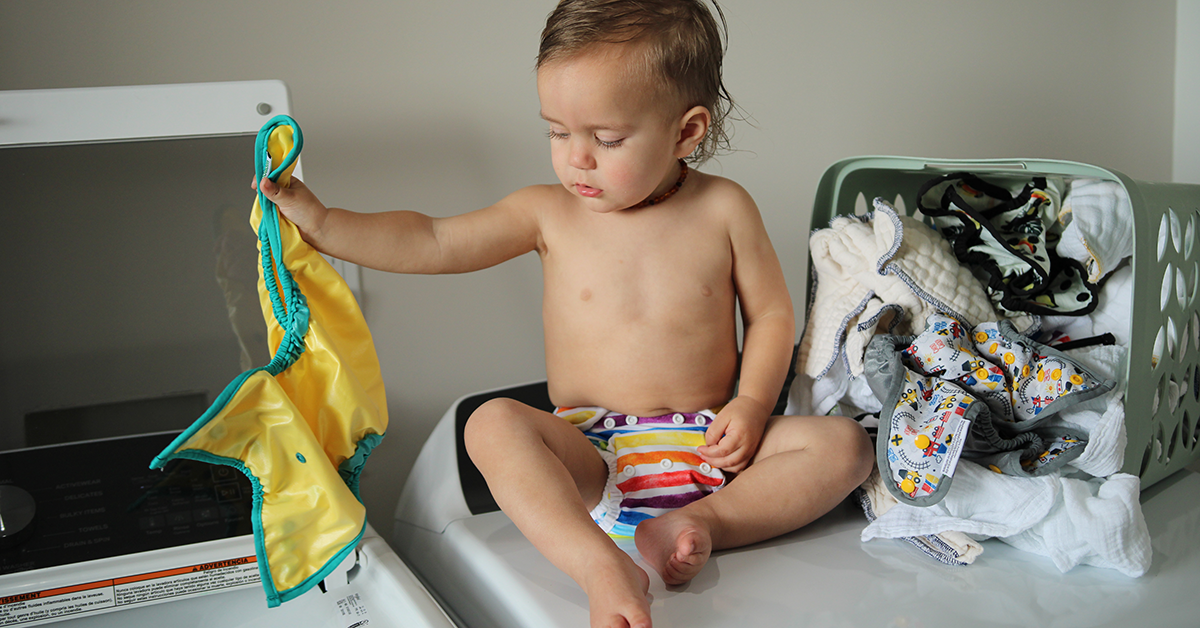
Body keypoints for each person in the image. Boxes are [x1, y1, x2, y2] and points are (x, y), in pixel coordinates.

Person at [257, 1, 873, 626]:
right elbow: (434, 239)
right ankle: (600, 565)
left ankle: (701, 522)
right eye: (557, 131)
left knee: (846, 447)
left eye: (606, 139)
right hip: (593, 453)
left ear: (686, 132)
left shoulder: (725, 208)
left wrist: (750, 405)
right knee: (490, 424)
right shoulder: (546, 213)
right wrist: (327, 225)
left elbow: (770, 315)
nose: (577, 158)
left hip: (713, 444)